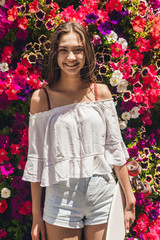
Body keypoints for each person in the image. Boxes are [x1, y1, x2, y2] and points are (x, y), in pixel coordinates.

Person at [22, 21, 136, 240]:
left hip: (102, 193)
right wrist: (36, 214)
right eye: (64, 50)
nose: (71, 57)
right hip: (61, 199)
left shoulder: (100, 93)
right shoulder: (41, 99)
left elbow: (114, 147)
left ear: (86, 54)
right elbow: (36, 160)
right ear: (55, 55)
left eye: (78, 50)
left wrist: (129, 197)